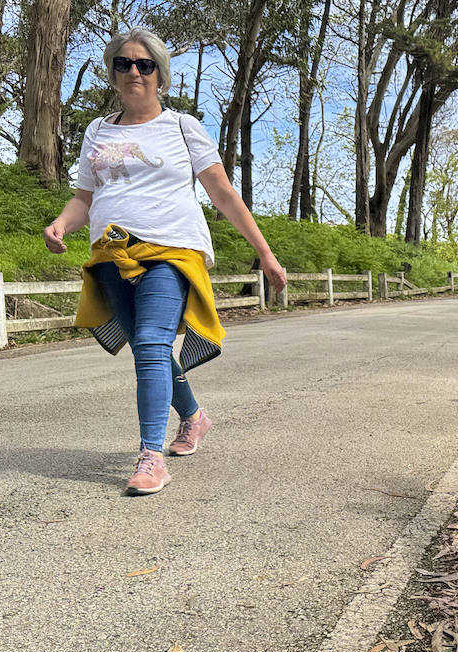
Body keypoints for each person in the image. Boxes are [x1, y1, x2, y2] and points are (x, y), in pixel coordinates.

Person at [43, 27, 286, 495]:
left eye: (144, 64)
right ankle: (194, 417)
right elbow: (84, 198)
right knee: (143, 345)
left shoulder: (181, 126)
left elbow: (223, 194)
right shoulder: (97, 131)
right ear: (112, 73)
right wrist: (61, 224)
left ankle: (150, 456)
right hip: (111, 251)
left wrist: (265, 252)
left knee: (153, 342)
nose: (134, 72)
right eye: (124, 64)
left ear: (160, 74)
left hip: (171, 249)